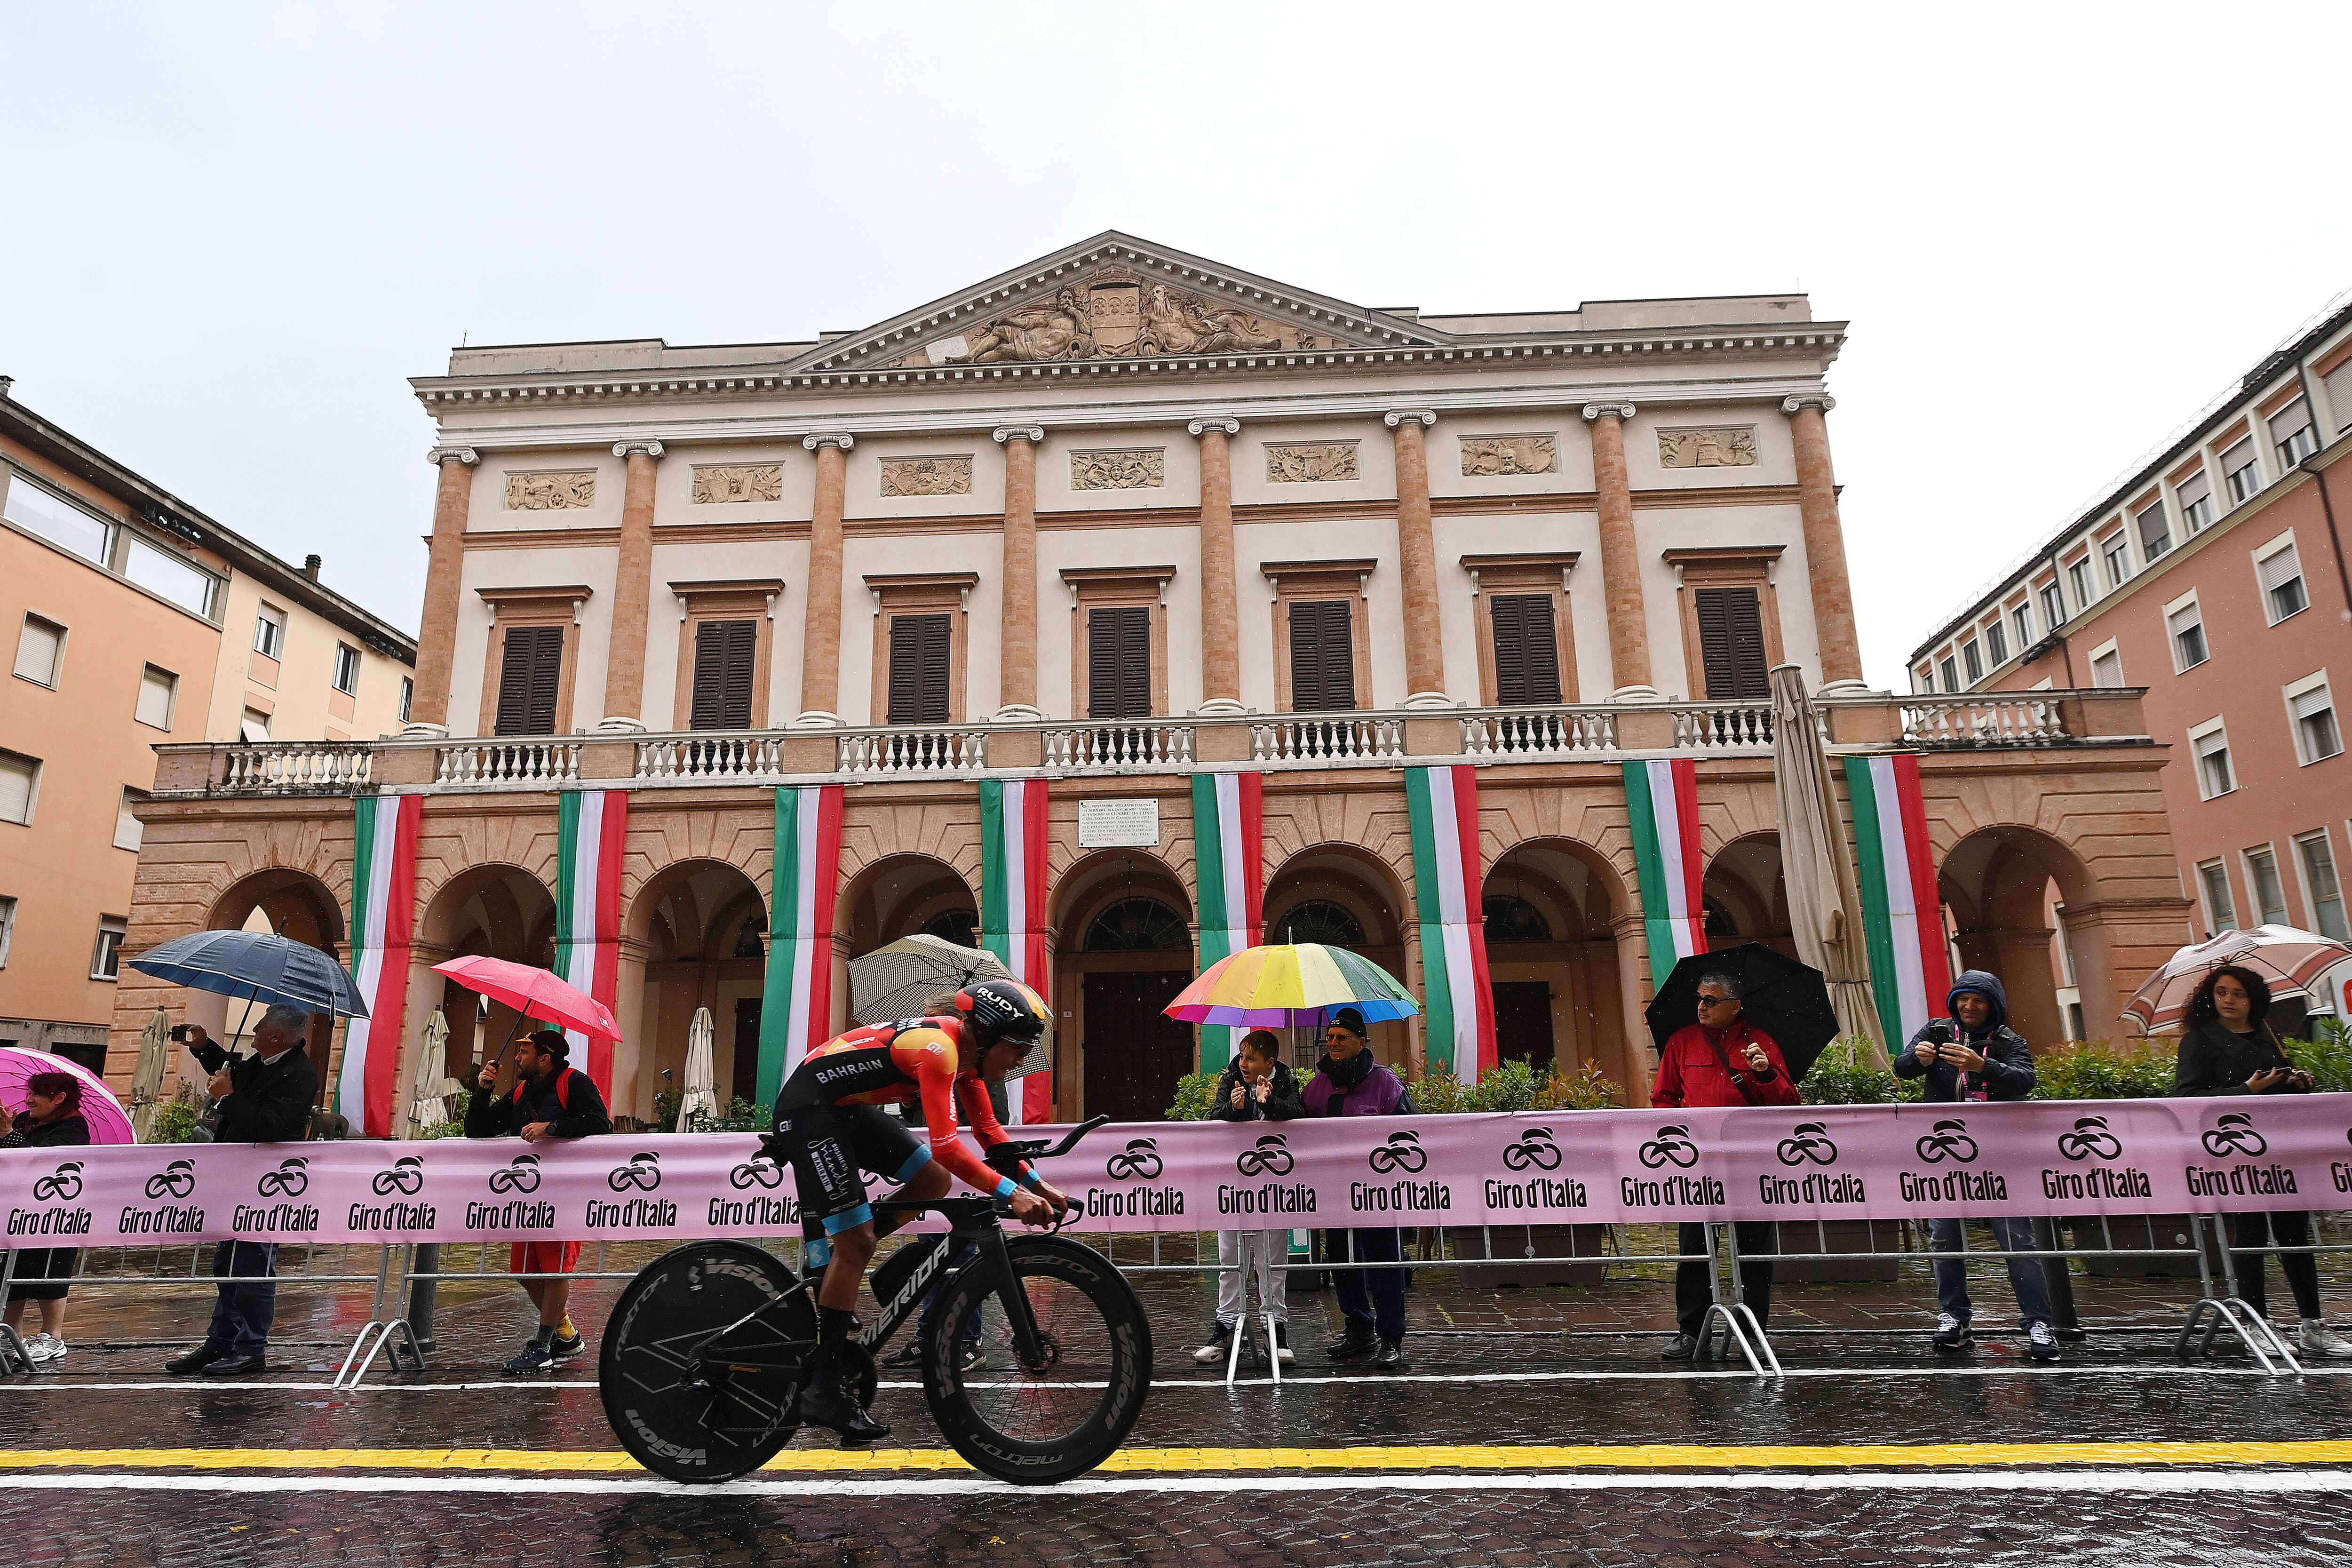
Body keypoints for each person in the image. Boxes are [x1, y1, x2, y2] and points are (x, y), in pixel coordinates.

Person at [768, 978, 1071, 1443]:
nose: (1021, 1060)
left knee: (932, 1182)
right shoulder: (939, 1050)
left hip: (843, 1108)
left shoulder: (967, 1058)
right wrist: (1011, 1195)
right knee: (859, 1241)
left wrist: (1040, 1186)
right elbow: (948, 1147)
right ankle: (823, 1389)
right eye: (1017, 1047)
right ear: (987, 1035)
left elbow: (990, 1134)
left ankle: (851, 1249)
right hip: (809, 1109)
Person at [2173, 964, 2352, 1358]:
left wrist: (2299, 1083)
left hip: (2283, 1149)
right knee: (2251, 1237)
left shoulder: (2268, 1033)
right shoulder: (2200, 1042)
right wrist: (2244, 1089)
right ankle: (2257, 1323)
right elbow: (2186, 1097)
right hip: (2235, 1154)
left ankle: (2313, 1326)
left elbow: (2276, 1085)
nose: (2229, 1001)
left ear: (2255, 998)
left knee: (2295, 1238)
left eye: (2239, 993)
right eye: (2222, 992)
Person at [1895, 971, 2058, 1361]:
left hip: (1998, 1156)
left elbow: (2026, 1080)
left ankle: (2038, 1321)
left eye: (1979, 1001)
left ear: (1993, 1006)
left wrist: (1983, 1066)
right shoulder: (1936, 1030)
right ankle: (1954, 1316)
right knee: (1945, 1237)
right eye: (1963, 999)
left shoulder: (2007, 1040)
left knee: (2017, 1239)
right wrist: (1917, 1059)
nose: (1969, 1007)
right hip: (1944, 1155)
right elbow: (1902, 1068)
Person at [164, 1005, 321, 1377]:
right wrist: (204, 1047)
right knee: (229, 1264)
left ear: (276, 1036)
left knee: (253, 1266)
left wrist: (228, 1099)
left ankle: (251, 1347)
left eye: (262, 1024)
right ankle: (222, 1341)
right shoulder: (263, 1061)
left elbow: (270, 1126)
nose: (254, 1027)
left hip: (266, 1186)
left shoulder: (298, 1074)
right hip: (237, 1179)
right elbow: (231, 1073)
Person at [1653, 972, 1797, 1361]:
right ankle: (1690, 1330)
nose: (1703, 1006)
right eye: (1701, 998)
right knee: (1696, 1249)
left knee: (1753, 1249)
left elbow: (1789, 1103)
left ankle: (1753, 1332)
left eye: (1713, 1000)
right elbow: (1663, 1098)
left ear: (1736, 1005)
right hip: (1698, 1164)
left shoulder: (1761, 1043)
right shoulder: (1681, 1041)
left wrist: (1766, 1072)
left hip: (1751, 1162)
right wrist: (1681, 1136)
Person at [463, 1029, 612, 1372]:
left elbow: (600, 1124)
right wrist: (483, 1091)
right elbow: (478, 1129)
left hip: (566, 1193)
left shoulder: (575, 1082)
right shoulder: (520, 1091)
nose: (517, 1058)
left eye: (525, 1051)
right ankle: (566, 1335)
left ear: (545, 1057)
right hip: (527, 1197)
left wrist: (551, 1128)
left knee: (556, 1268)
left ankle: (543, 1344)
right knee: (524, 1271)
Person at [1302, 1007, 1414, 1371]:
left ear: (1361, 1042)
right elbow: (1297, 1125)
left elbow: (1412, 1133)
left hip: (1379, 1196)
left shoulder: (1387, 1083)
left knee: (1384, 1264)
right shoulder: (1318, 1085)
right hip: (1335, 1194)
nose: (1333, 1044)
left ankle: (1391, 1336)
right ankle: (1359, 1326)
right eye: (1330, 1038)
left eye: (1341, 1038)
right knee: (1342, 1261)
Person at [1196, 1029, 1304, 1367]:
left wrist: (1269, 1103)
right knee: (1231, 1259)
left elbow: (1298, 1115)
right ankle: (1226, 1329)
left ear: (1269, 1063)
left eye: (1251, 1058)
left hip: (1274, 1188)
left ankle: (1276, 1329)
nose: (1243, 1064)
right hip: (1234, 1187)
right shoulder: (1231, 1080)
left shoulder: (1286, 1080)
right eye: (1242, 1057)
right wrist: (1235, 1108)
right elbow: (1215, 1117)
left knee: (1272, 1261)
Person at [0, 1071, 93, 1368]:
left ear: (59, 1099)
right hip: (16, 1213)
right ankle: (10, 1335)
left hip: (56, 1215)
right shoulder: (23, 1123)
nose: (29, 1100)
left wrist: (8, 1136)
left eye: (37, 1095)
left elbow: (40, 1162)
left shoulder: (74, 1127)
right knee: (12, 1272)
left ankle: (52, 1336)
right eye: (28, 1093)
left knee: (49, 1271)